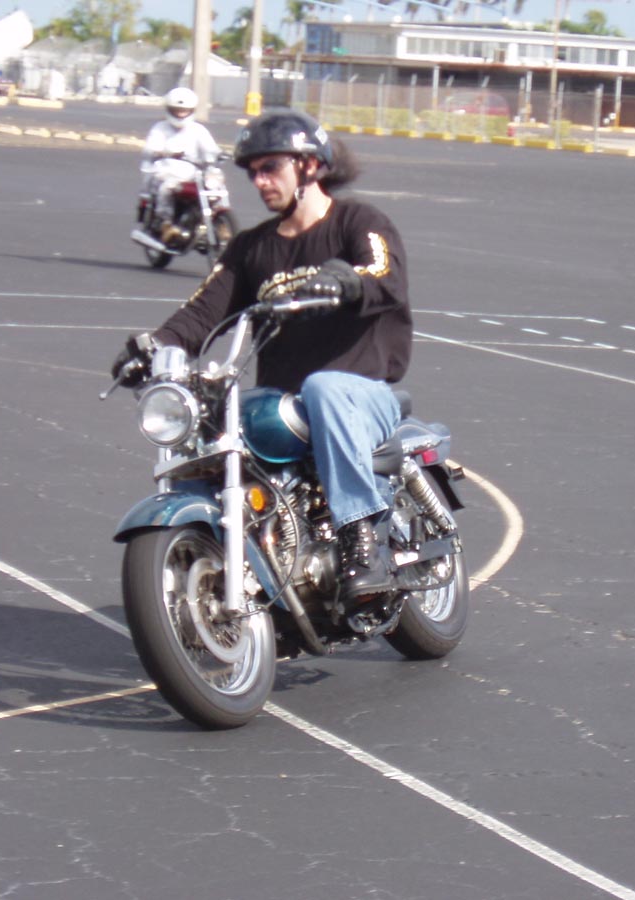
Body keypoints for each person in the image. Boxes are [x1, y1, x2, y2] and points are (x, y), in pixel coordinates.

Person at [111, 109, 413, 606]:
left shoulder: (360, 222)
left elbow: (383, 271)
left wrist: (344, 280)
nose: (259, 181)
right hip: (285, 402)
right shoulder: (251, 248)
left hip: (361, 393)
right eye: (253, 172)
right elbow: (201, 312)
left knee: (324, 386)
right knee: (215, 418)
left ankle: (361, 538)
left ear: (309, 165)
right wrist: (154, 346)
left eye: (270, 167)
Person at [140, 86, 222, 247]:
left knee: (216, 183)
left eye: (184, 111)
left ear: (192, 110)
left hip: (192, 173)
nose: (180, 114)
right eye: (177, 110)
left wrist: (219, 154)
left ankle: (218, 223)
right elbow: (150, 148)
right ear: (169, 110)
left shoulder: (198, 130)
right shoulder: (160, 128)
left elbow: (210, 148)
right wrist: (164, 152)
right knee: (167, 187)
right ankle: (166, 224)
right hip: (166, 171)